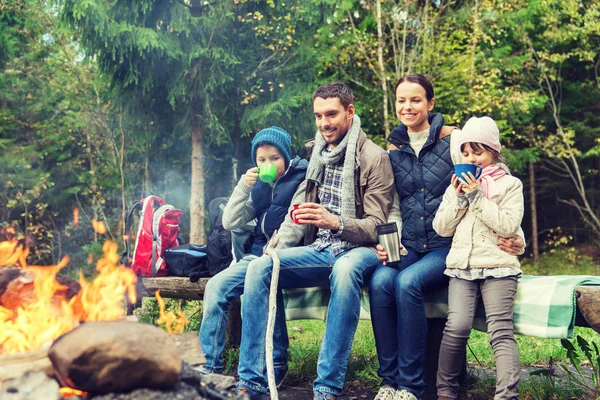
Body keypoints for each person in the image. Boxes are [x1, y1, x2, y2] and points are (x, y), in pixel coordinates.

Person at [369, 74, 525, 400]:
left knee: (407, 282)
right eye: (401, 100)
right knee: (382, 280)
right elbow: (393, 206)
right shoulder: (393, 149)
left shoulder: (454, 142)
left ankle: (411, 385)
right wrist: (389, 242)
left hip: (445, 247)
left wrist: (518, 238)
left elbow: (495, 183)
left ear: (430, 103)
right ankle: (389, 381)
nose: (407, 106)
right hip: (410, 243)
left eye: (415, 99)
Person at [236, 82, 395, 400]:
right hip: (318, 249)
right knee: (260, 269)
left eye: (332, 114)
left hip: (359, 250)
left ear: (350, 112)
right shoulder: (316, 155)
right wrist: (276, 249)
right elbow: (297, 215)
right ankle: (253, 379)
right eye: (319, 116)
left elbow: (378, 225)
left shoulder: (375, 158)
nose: (325, 123)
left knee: (346, 270)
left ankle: (326, 387)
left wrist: (335, 222)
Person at [199, 126, 308, 384]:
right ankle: (208, 368)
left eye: (274, 158)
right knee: (215, 287)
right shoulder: (259, 185)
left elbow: (295, 227)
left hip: (287, 255)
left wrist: (268, 256)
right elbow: (230, 221)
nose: (267, 164)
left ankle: (275, 363)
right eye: (261, 159)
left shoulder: (301, 178)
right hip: (256, 255)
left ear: (286, 157)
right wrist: (243, 186)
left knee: (255, 288)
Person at [434, 116, 524, 400]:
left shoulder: (510, 184)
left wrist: (476, 196)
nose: (471, 158)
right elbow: (441, 228)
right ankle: (445, 391)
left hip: (499, 267)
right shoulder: (455, 186)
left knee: (499, 330)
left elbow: (508, 225)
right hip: (462, 268)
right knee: (457, 326)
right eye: (466, 152)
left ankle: (506, 394)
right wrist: (460, 198)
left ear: (493, 152)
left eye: (478, 152)